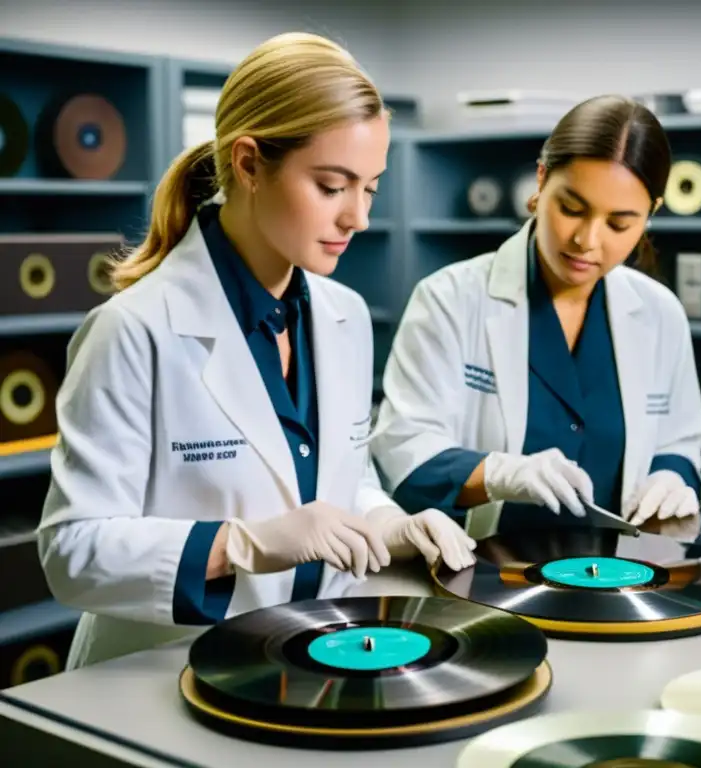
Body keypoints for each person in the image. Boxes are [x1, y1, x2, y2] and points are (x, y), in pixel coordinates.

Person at [35, 32, 475, 670]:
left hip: (314, 655)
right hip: (163, 672)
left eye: (371, 189)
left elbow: (342, 484)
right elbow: (72, 553)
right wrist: (241, 546)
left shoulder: (344, 316)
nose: (359, 218)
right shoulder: (134, 329)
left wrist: (389, 524)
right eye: (332, 186)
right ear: (247, 164)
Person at [371, 95, 701, 540]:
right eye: (572, 208)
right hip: (485, 576)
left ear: (651, 214)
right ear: (541, 179)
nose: (588, 240)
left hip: (619, 579)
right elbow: (404, 451)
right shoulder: (450, 299)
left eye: (619, 224)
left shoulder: (660, 313)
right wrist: (496, 473)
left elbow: (680, 441)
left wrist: (672, 477)